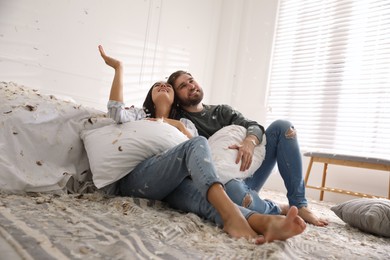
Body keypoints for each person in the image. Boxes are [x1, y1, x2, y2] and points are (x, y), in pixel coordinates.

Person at [98, 45, 306, 243]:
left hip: (179, 181)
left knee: (204, 200)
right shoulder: (141, 114)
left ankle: (262, 221)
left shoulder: (188, 122)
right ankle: (244, 214)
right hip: (145, 175)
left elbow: (198, 153)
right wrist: (119, 68)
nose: (164, 87)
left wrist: (249, 141)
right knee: (212, 172)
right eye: (159, 86)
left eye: (169, 86)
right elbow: (116, 112)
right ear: (150, 97)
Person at [167, 70, 329, 226]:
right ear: (176, 97)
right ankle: (278, 208)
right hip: (225, 185)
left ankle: (299, 204)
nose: (191, 86)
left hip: (248, 168)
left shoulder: (221, 111)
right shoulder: (179, 121)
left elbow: (254, 126)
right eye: (183, 86)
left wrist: (250, 142)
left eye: (191, 80)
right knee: (233, 192)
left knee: (283, 127)